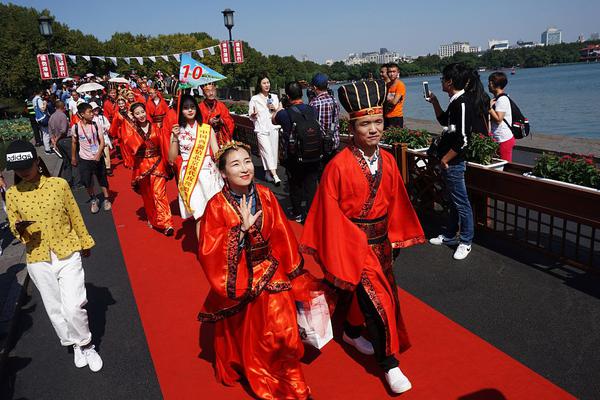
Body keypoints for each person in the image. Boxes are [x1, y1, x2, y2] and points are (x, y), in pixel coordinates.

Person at [300, 79, 425, 394]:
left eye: (378, 121)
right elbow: (327, 213)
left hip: (382, 243)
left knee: (372, 297)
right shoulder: (338, 166)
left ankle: (353, 330)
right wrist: (345, 246)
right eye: (365, 123)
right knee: (379, 302)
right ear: (351, 127)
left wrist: (396, 238)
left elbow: (397, 202)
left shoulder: (389, 160)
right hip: (354, 244)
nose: (373, 129)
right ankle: (390, 364)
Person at [197, 141, 311, 400]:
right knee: (252, 337)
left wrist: (294, 271)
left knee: (284, 332)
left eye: (247, 161)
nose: (245, 168)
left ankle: (295, 386)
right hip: (239, 278)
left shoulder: (266, 195)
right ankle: (267, 377)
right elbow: (209, 249)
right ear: (223, 173)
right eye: (235, 164)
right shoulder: (216, 206)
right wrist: (240, 230)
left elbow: (282, 232)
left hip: (271, 271)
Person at [5, 140, 103, 372]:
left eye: (27, 167)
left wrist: (85, 241)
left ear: (37, 161)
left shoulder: (58, 185)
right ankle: (73, 343)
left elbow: (75, 214)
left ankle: (87, 343)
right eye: (18, 170)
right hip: (37, 256)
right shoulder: (12, 194)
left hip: (66, 251)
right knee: (55, 308)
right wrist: (20, 229)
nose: (24, 173)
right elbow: (12, 225)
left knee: (73, 306)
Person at [425, 63, 475, 260]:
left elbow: (463, 139)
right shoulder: (455, 102)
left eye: (442, 79)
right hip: (449, 161)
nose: (441, 82)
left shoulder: (461, 103)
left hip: (453, 162)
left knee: (462, 203)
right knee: (454, 201)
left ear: (450, 81)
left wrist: (445, 159)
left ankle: (466, 241)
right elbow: (445, 121)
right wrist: (435, 102)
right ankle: (450, 236)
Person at [168, 94, 223, 236]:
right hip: (190, 173)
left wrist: (224, 167)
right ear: (181, 111)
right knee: (199, 213)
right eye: (186, 108)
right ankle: (203, 249)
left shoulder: (207, 128)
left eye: (192, 107)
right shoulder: (177, 130)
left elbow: (216, 152)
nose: (190, 110)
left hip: (208, 171)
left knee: (214, 210)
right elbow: (172, 158)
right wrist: (174, 137)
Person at [121, 102, 174, 235]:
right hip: (142, 165)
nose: (141, 115)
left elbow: (164, 144)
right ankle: (152, 217)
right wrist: (128, 121)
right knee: (148, 195)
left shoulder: (156, 127)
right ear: (133, 115)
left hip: (158, 164)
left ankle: (166, 223)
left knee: (159, 193)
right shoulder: (131, 128)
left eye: (142, 112)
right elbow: (130, 143)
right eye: (137, 113)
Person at [274, 81, 321, 223]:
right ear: (302, 93)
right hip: (313, 153)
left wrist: (281, 106)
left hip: (294, 156)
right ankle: (312, 213)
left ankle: (298, 213)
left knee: (295, 184)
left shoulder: (284, 114)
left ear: (287, 96)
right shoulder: (312, 109)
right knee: (311, 184)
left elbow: (273, 120)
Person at [71, 103, 111, 214]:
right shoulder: (76, 127)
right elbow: (74, 142)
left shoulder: (96, 124)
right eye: (89, 112)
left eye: (92, 111)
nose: (92, 114)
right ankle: (94, 199)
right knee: (87, 181)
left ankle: (107, 199)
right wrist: (73, 157)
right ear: (82, 114)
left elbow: (102, 140)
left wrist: (98, 154)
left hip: (97, 156)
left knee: (102, 178)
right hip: (84, 158)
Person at [248, 74, 281, 185]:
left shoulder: (274, 97)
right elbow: (250, 116)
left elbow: (278, 113)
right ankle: (275, 175)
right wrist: (253, 114)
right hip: (261, 129)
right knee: (266, 151)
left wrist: (274, 108)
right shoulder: (255, 99)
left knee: (273, 152)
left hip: (273, 128)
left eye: (268, 82)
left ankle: (267, 174)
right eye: (264, 83)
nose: (267, 85)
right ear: (260, 85)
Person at [309, 73, 340, 166]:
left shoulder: (314, 103)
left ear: (314, 87)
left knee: (322, 174)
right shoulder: (334, 100)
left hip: (321, 145)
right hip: (334, 141)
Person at [488, 71, 516, 162]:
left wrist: (489, 108)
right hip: (498, 138)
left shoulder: (502, 99)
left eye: (490, 82)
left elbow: (498, 119)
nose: (488, 85)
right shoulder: (496, 99)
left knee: (506, 167)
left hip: (504, 139)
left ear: (494, 84)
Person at [465, 68, 491, 137]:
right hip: (483, 134)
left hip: (471, 134)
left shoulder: (467, 97)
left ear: (468, 81)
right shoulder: (484, 96)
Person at [90, 102, 113, 176]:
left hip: (104, 137)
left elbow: (108, 125)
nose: (96, 110)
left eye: (97, 109)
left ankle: (108, 168)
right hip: (95, 139)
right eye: (94, 109)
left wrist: (106, 128)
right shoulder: (90, 119)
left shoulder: (102, 117)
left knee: (106, 153)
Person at [384, 63, 406, 129]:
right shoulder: (387, 85)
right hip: (386, 116)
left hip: (396, 116)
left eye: (394, 71)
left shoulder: (400, 85)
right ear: (387, 73)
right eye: (390, 72)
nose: (392, 74)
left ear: (398, 72)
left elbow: (394, 102)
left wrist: (386, 101)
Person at [33, 89, 51, 154]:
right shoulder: (39, 99)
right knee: (46, 134)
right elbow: (42, 109)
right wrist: (45, 104)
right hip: (43, 118)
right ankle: (47, 149)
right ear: (40, 92)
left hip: (38, 118)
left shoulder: (34, 99)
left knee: (44, 134)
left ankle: (47, 148)